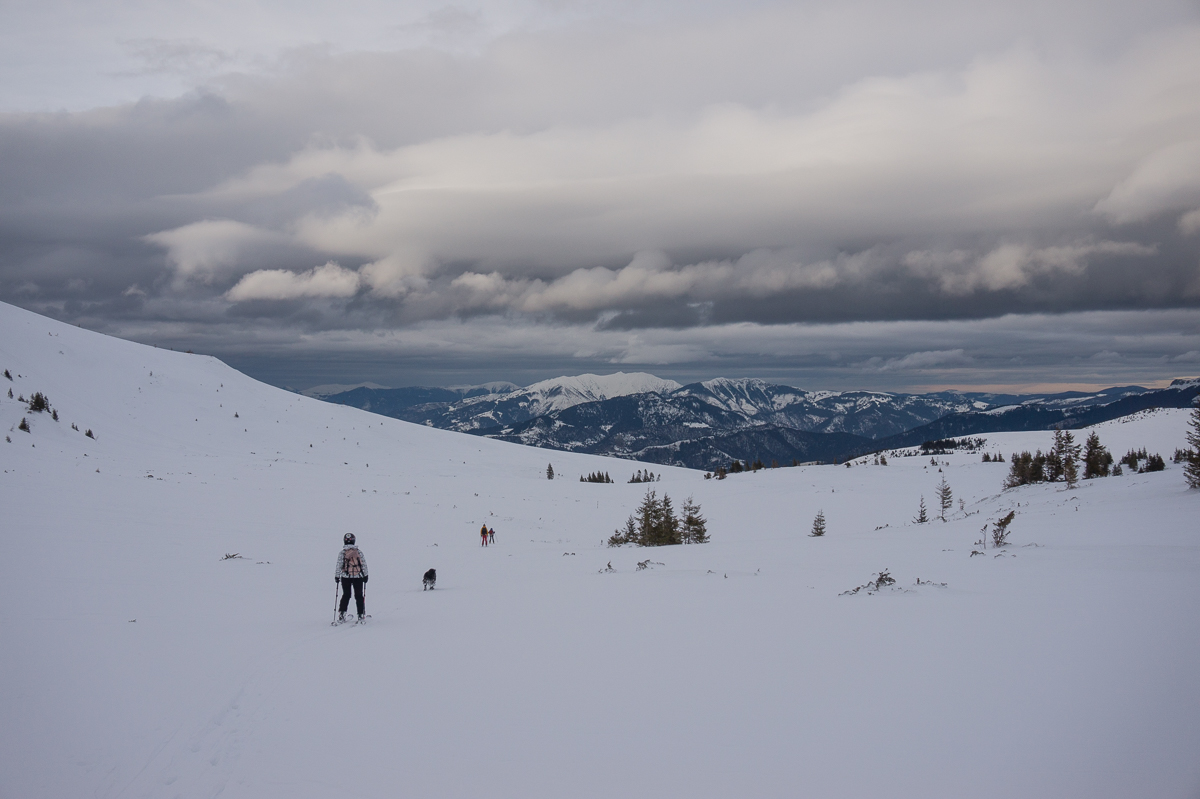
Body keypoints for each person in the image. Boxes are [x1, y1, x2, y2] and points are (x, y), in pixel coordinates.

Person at [335, 532, 368, 621]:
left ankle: (342, 614)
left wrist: (337, 576)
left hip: (345, 577)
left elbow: (339, 565)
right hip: (358, 577)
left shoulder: (342, 553)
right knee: (359, 596)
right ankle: (361, 615)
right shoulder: (358, 552)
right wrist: (365, 575)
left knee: (346, 595)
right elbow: (363, 564)